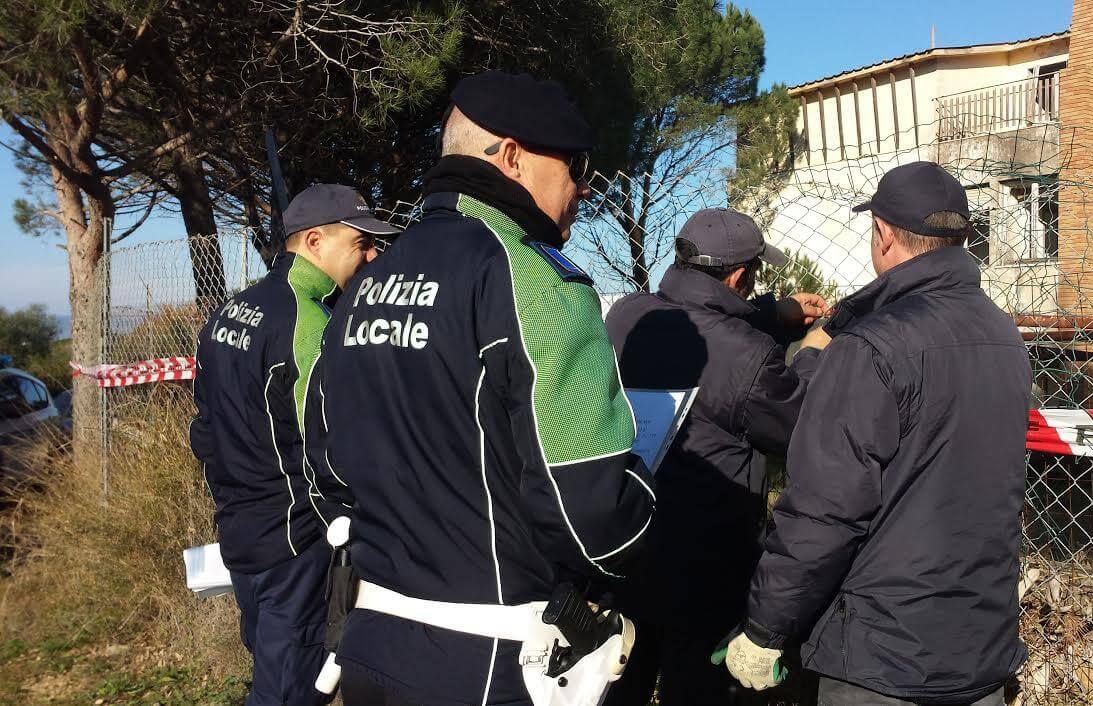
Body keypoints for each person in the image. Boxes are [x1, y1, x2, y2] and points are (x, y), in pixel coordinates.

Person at [308, 70, 656, 706]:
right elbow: (588, 513)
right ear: (513, 156)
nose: (581, 186)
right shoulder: (539, 281)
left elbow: (325, 459)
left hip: (371, 639)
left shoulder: (366, 284)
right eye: (574, 164)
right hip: (495, 656)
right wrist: (651, 506)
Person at [721, 161, 1031, 706]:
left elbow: (825, 511)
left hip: (880, 659)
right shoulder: (1003, 334)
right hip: (981, 642)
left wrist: (765, 628)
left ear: (883, 234)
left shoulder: (871, 347)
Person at [602, 208, 830, 705]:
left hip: (629, 546)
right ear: (738, 275)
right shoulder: (750, 354)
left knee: (623, 682)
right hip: (706, 568)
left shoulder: (626, 316)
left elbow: (702, 324)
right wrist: (811, 351)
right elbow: (796, 425)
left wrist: (776, 312)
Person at [189, 183, 398, 706]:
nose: (371, 256)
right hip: (295, 543)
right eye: (360, 244)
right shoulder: (310, 322)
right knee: (290, 690)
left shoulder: (228, 314)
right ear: (313, 241)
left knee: (269, 668)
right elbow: (331, 447)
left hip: (240, 532)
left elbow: (204, 429)